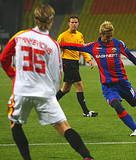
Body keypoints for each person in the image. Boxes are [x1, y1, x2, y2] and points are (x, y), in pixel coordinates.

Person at [0, 4, 94, 160]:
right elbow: (57, 75)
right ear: (51, 20)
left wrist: (13, 75)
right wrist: (50, 95)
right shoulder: (53, 44)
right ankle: (87, 157)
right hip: (45, 93)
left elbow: (4, 58)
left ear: (35, 18)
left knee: (14, 124)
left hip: (21, 91)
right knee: (64, 128)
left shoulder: (20, 36)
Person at [60, 21, 136, 136]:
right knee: (117, 106)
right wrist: (59, 45)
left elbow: (130, 55)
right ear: (101, 34)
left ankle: (127, 96)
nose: (110, 38)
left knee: (134, 103)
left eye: (111, 36)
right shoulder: (94, 47)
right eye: (107, 36)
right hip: (108, 86)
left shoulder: (118, 44)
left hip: (122, 83)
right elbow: (76, 46)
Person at [56, 15, 98, 117]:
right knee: (79, 86)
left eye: (76, 22)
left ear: (78, 23)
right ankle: (86, 112)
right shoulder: (63, 36)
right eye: (72, 22)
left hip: (75, 63)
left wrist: (89, 60)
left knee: (66, 89)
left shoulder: (80, 35)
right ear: (68, 24)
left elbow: (82, 49)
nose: (74, 24)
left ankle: (48, 104)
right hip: (68, 62)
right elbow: (56, 50)